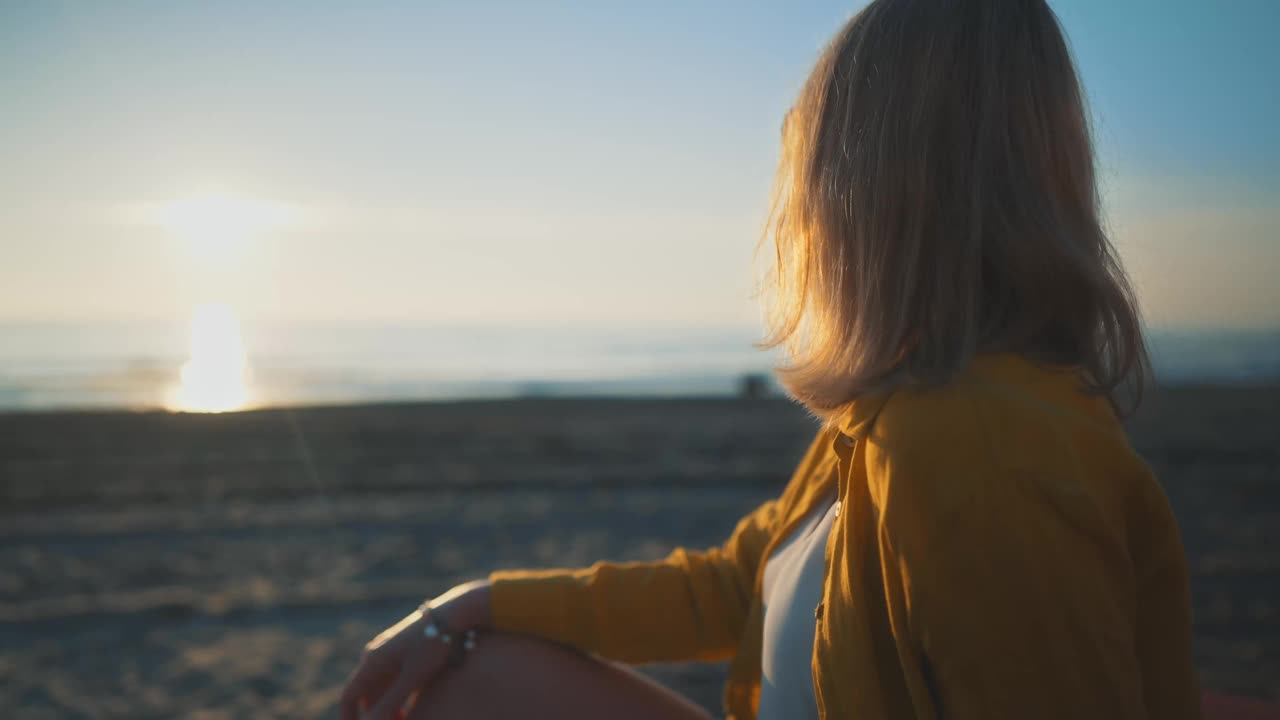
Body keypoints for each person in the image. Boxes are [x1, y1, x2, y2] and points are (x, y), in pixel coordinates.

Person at [340, 0, 1200, 718]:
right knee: (474, 673)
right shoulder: (889, 419)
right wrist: (468, 606)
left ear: (866, 192)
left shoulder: (983, 451)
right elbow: (731, 586)